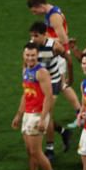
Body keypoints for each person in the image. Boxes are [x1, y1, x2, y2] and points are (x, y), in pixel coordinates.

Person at [12, 43, 62, 170]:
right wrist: (19, 114)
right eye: (27, 55)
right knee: (29, 151)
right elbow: (26, 94)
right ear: (23, 55)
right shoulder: (26, 70)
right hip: (28, 114)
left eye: (33, 55)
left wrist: (42, 119)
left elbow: (48, 96)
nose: (30, 58)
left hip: (37, 115)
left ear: (37, 55)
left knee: (36, 151)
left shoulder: (41, 72)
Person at [28, 22, 73, 161]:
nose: (33, 39)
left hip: (52, 82)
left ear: (44, 34)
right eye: (32, 36)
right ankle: (64, 132)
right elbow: (26, 62)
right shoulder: (31, 46)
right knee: (42, 114)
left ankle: (50, 149)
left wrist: (69, 78)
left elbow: (68, 59)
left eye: (36, 36)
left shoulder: (54, 46)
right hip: (38, 84)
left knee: (46, 114)